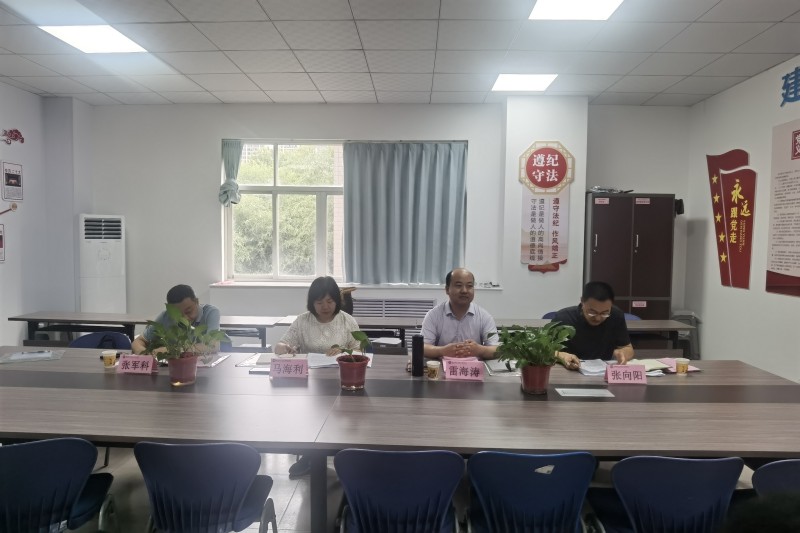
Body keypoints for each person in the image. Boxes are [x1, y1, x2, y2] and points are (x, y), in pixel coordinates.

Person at [276, 276, 360, 477]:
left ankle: (344, 458)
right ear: (312, 303)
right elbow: (279, 346)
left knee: (345, 421)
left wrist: (343, 351)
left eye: (330, 301)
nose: (325, 307)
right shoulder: (303, 321)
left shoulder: (347, 321)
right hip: (310, 385)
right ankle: (310, 457)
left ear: (337, 301)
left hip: (342, 382)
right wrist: (285, 348)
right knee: (310, 419)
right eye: (319, 302)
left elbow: (360, 350)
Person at [551, 281, 634, 370]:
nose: (598, 318)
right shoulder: (564, 318)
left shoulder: (616, 315)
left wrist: (622, 353)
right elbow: (544, 351)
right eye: (592, 312)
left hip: (603, 372)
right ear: (582, 301)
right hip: (569, 371)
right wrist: (562, 356)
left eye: (604, 313)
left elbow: (628, 348)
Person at [421, 268, 499, 359]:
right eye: (458, 285)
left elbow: (497, 349)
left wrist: (480, 350)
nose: (464, 291)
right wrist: (442, 351)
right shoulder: (433, 315)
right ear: (447, 289)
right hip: (443, 366)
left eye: (469, 286)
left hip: (473, 367)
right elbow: (422, 347)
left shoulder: (484, 317)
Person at [132, 284, 228, 355]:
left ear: (197, 302)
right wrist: (144, 354)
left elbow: (213, 346)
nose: (185, 318)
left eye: (188, 311)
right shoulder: (165, 316)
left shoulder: (210, 313)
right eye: (178, 315)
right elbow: (138, 341)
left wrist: (172, 350)